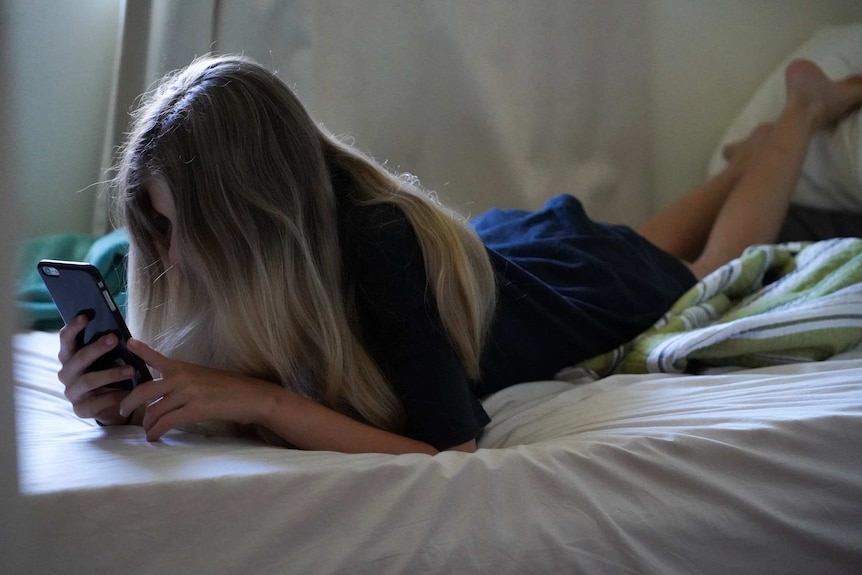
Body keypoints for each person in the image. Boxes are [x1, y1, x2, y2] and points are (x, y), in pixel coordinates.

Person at [57, 55, 862, 455]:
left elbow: (451, 446)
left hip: (564, 291)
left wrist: (261, 403)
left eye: (187, 226)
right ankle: (755, 152)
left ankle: (799, 112)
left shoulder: (377, 243)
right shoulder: (288, 244)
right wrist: (119, 394)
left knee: (686, 269)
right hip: (510, 256)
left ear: (261, 218)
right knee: (634, 237)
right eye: (158, 226)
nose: (175, 254)